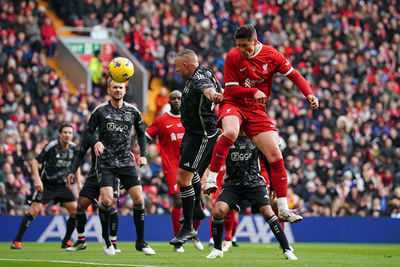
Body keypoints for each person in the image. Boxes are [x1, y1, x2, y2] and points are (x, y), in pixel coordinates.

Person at [204, 25, 319, 223]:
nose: (242, 50)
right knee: (230, 132)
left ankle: (283, 209)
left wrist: (309, 94)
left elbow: (294, 75)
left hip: (256, 110)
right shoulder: (232, 56)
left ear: (255, 42)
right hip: (233, 103)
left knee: (274, 154)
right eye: (239, 46)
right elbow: (230, 91)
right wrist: (252, 92)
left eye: (245, 46)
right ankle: (211, 179)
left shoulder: (272, 56)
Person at [84, 78, 155, 256]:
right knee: (107, 201)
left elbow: (141, 132)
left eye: (120, 87)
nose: (118, 90)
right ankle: (107, 239)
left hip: (126, 161)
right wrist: (95, 142)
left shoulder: (133, 111)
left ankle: (141, 242)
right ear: (109, 89)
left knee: (139, 199)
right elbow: (87, 132)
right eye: (114, 87)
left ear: (125, 90)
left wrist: (143, 155)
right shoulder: (100, 111)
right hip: (105, 162)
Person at [206, 134, 297, 260]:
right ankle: (217, 249)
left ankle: (287, 249)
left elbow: (267, 160)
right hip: (232, 184)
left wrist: (272, 184)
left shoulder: (256, 137)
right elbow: (212, 155)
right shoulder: (226, 137)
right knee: (218, 211)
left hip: (254, 183)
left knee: (267, 211)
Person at [169, 49, 223, 246]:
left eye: (177, 67)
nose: (176, 71)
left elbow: (208, 89)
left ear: (186, 65)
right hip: (192, 132)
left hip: (202, 135)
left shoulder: (200, 79)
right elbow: (216, 86)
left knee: (183, 178)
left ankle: (189, 227)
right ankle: (198, 208)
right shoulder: (206, 71)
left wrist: (213, 96)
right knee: (191, 175)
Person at [146, 90, 203, 252]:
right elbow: (146, 136)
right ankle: (178, 240)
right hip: (172, 167)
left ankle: (193, 232)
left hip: (191, 165)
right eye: (174, 99)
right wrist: (141, 154)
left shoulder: (190, 119)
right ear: (168, 101)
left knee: (199, 204)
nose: (177, 101)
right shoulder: (161, 120)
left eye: (179, 98)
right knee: (178, 200)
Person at [10, 123, 82, 249]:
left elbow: (76, 165)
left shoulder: (73, 148)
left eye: (70, 133)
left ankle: (66, 241)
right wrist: (37, 180)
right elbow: (35, 161)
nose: (67, 135)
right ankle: (17, 241)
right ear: (59, 134)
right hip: (46, 184)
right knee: (34, 210)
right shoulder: (52, 146)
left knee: (75, 211)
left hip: (62, 185)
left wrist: (79, 183)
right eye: (65, 132)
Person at [65, 132, 121, 252]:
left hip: (112, 174)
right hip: (94, 175)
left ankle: (113, 242)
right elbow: (80, 154)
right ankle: (81, 241)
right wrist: (72, 170)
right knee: (80, 205)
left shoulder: (116, 130)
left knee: (112, 205)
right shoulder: (91, 136)